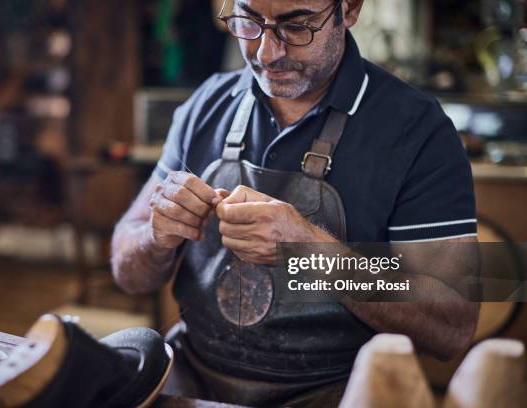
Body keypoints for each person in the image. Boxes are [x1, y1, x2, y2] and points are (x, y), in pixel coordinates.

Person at [111, 1, 479, 406]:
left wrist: (312, 253)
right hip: (192, 381)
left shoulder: (418, 131)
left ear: (349, 9)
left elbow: (452, 326)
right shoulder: (207, 104)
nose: (268, 52)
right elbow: (128, 273)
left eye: (298, 25)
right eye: (249, 22)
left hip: (336, 393)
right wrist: (153, 236)